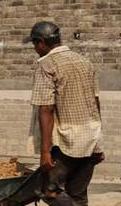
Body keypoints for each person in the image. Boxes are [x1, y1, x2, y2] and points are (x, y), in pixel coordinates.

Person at [28, 21, 105, 206]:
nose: (35, 49)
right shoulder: (84, 62)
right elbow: (96, 102)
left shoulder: (47, 65)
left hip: (67, 142)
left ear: (40, 43)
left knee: (48, 190)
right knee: (77, 194)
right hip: (91, 137)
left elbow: (46, 108)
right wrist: (99, 142)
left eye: (34, 44)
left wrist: (45, 152)